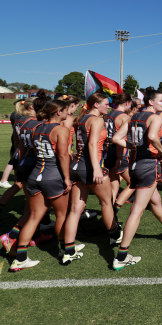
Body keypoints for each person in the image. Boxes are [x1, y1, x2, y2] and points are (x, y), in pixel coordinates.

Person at [111, 88, 162, 270]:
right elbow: (152, 136)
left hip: (135, 164)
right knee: (137, 210)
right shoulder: (156, 117)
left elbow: (116, 138)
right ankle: (122, 255)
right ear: (150, 102)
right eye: (160, 100)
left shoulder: (133, 117)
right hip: (147, 165)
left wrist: (133, 146)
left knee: (155, 199)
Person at [9, 100, 73, 271]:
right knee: (62, 215)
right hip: (53, 176)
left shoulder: (37, 127)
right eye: (66, 110)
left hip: (34, 174)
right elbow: (63, 156)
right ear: (58, 112)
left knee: (34, 217)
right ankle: (67, 250)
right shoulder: (61, 129)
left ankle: (20, 257)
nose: (68, 113)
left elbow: (30, 150)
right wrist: (67, 178)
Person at [64, 93, 122, 265]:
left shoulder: (80, 119)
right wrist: (97, 168)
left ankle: (68, 250)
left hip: (75, 167)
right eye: (105, 103)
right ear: (96, 105)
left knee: (75, 209)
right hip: (89, 167)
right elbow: (91, 144)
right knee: (106, 203)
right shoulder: (96, 120)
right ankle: (115, 235)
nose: (108, 106)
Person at [103, 93, 133, 202]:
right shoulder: (125, 117)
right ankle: (116, 207)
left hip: (106, 151)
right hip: (118, 153)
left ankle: (110, 211)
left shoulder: (107, 115)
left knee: (114, 184)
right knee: (134, 182)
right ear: (127, 103)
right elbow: (121, 139)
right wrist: (120, 158)